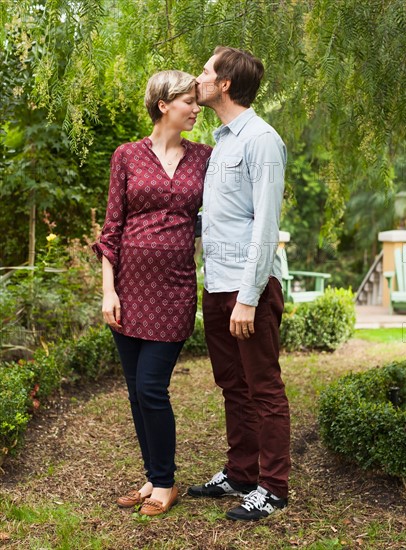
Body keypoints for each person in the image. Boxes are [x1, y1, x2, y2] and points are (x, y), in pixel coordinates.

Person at [92, 70, 212, 517]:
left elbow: (219, 213)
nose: (196, 108)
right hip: (127, 290)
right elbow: (111, 229)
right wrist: (109, 292)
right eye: (188, 101)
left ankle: (165, 482)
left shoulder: (205, 158)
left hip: (175, 290)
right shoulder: (126, 156)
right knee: (135, 392)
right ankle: (152, 474)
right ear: (163, 104)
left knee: (151, 386)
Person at [188, 47, 291, 521]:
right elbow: (220, 218)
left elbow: (265, 227)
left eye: (206, 71)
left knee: (263, 387)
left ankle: (272, 488)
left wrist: (247, 299)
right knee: (232, 384)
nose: (199, 77)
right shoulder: (222, 141)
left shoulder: (261, 140)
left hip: (248, 289)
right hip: (217, 284)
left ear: (225, 83)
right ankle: (241, 473)